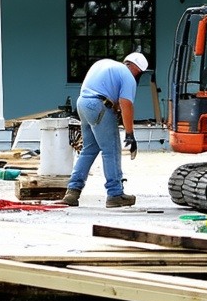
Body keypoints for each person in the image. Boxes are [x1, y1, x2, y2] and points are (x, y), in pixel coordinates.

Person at [61, 52, 148, 208]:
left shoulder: (105, 64)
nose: (137, 76)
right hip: (98, 107)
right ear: (136, 68)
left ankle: (72, 192)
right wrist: (130, 134)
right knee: (112, 150)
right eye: (139, 73)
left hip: (82, 104)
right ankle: (115, 194)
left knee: (89, 149)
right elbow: (126, 104)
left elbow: (106, 93)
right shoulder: (128, 76)